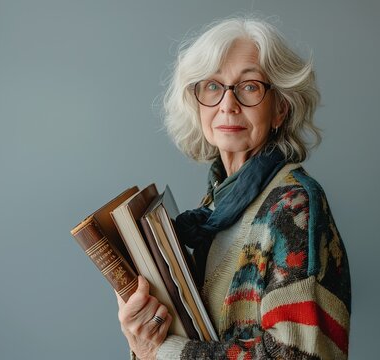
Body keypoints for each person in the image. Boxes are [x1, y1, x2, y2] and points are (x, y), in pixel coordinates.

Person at [116, 16, 351, 360]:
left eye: (250, 86)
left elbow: (296, 354)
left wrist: (165, 351)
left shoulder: (294, 204)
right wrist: (142, 333)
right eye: (212, 86)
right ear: (196, 104)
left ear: (280, 109)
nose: (228, 104)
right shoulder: (216, 204)